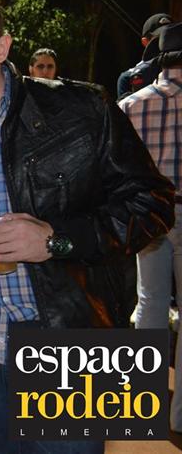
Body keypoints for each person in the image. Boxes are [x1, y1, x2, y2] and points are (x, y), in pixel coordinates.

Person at [0, 0, 174, 454]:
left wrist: (56, 239)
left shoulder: (82, 109)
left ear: (3, 46)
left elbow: (153, 202)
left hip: (70, 342)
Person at [119, 21, 182, 433]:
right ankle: (181, 417)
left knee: (150, 301)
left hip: (150, 216)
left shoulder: (131, 106)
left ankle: (147, 399)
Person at [117, 13, 174, 99]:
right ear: (145, 42)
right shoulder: (130, 78)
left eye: (172, 35)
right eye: (160, 37)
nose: (168, 41)